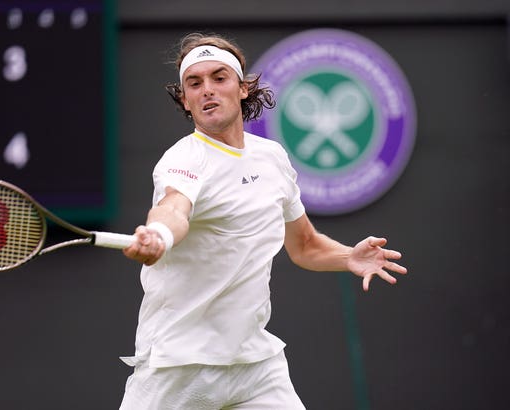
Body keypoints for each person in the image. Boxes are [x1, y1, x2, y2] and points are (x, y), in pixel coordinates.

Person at [119, 32, 407, 410]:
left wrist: (347, 256)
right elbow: (173, 209)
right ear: (185, 101)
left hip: (254, 365)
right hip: (180, 366)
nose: (207, 89)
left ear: (242, 88)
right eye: (195, 83)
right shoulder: (184, 160)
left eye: (219, 78)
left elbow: (304, 245)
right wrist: (158, 234)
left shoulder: (272, 158)